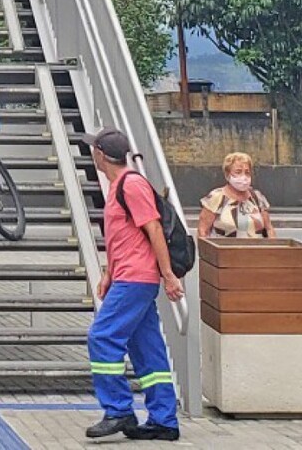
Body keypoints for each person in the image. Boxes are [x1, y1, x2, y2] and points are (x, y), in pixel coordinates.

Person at [84, 127, 183, 442]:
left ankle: (118, 409)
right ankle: (164, 420)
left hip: (136, 279)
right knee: (147, 349)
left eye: (92, 149)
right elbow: (121, 239)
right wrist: (108, 273)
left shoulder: (132, 184)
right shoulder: (117, 186)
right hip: (127, 275)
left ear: (100, 154)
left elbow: (153, 229)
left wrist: (168, 274)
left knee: (101, 337)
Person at [198, 152, 274, 239]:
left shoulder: (256, 197)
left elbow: (269, 229)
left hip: (256, 250)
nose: (244, 177)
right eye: (238, 172)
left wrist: (274, 249)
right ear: (227, 175)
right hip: (225, 250)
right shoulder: (216, 197)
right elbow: (203, 231)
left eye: (247, 172)